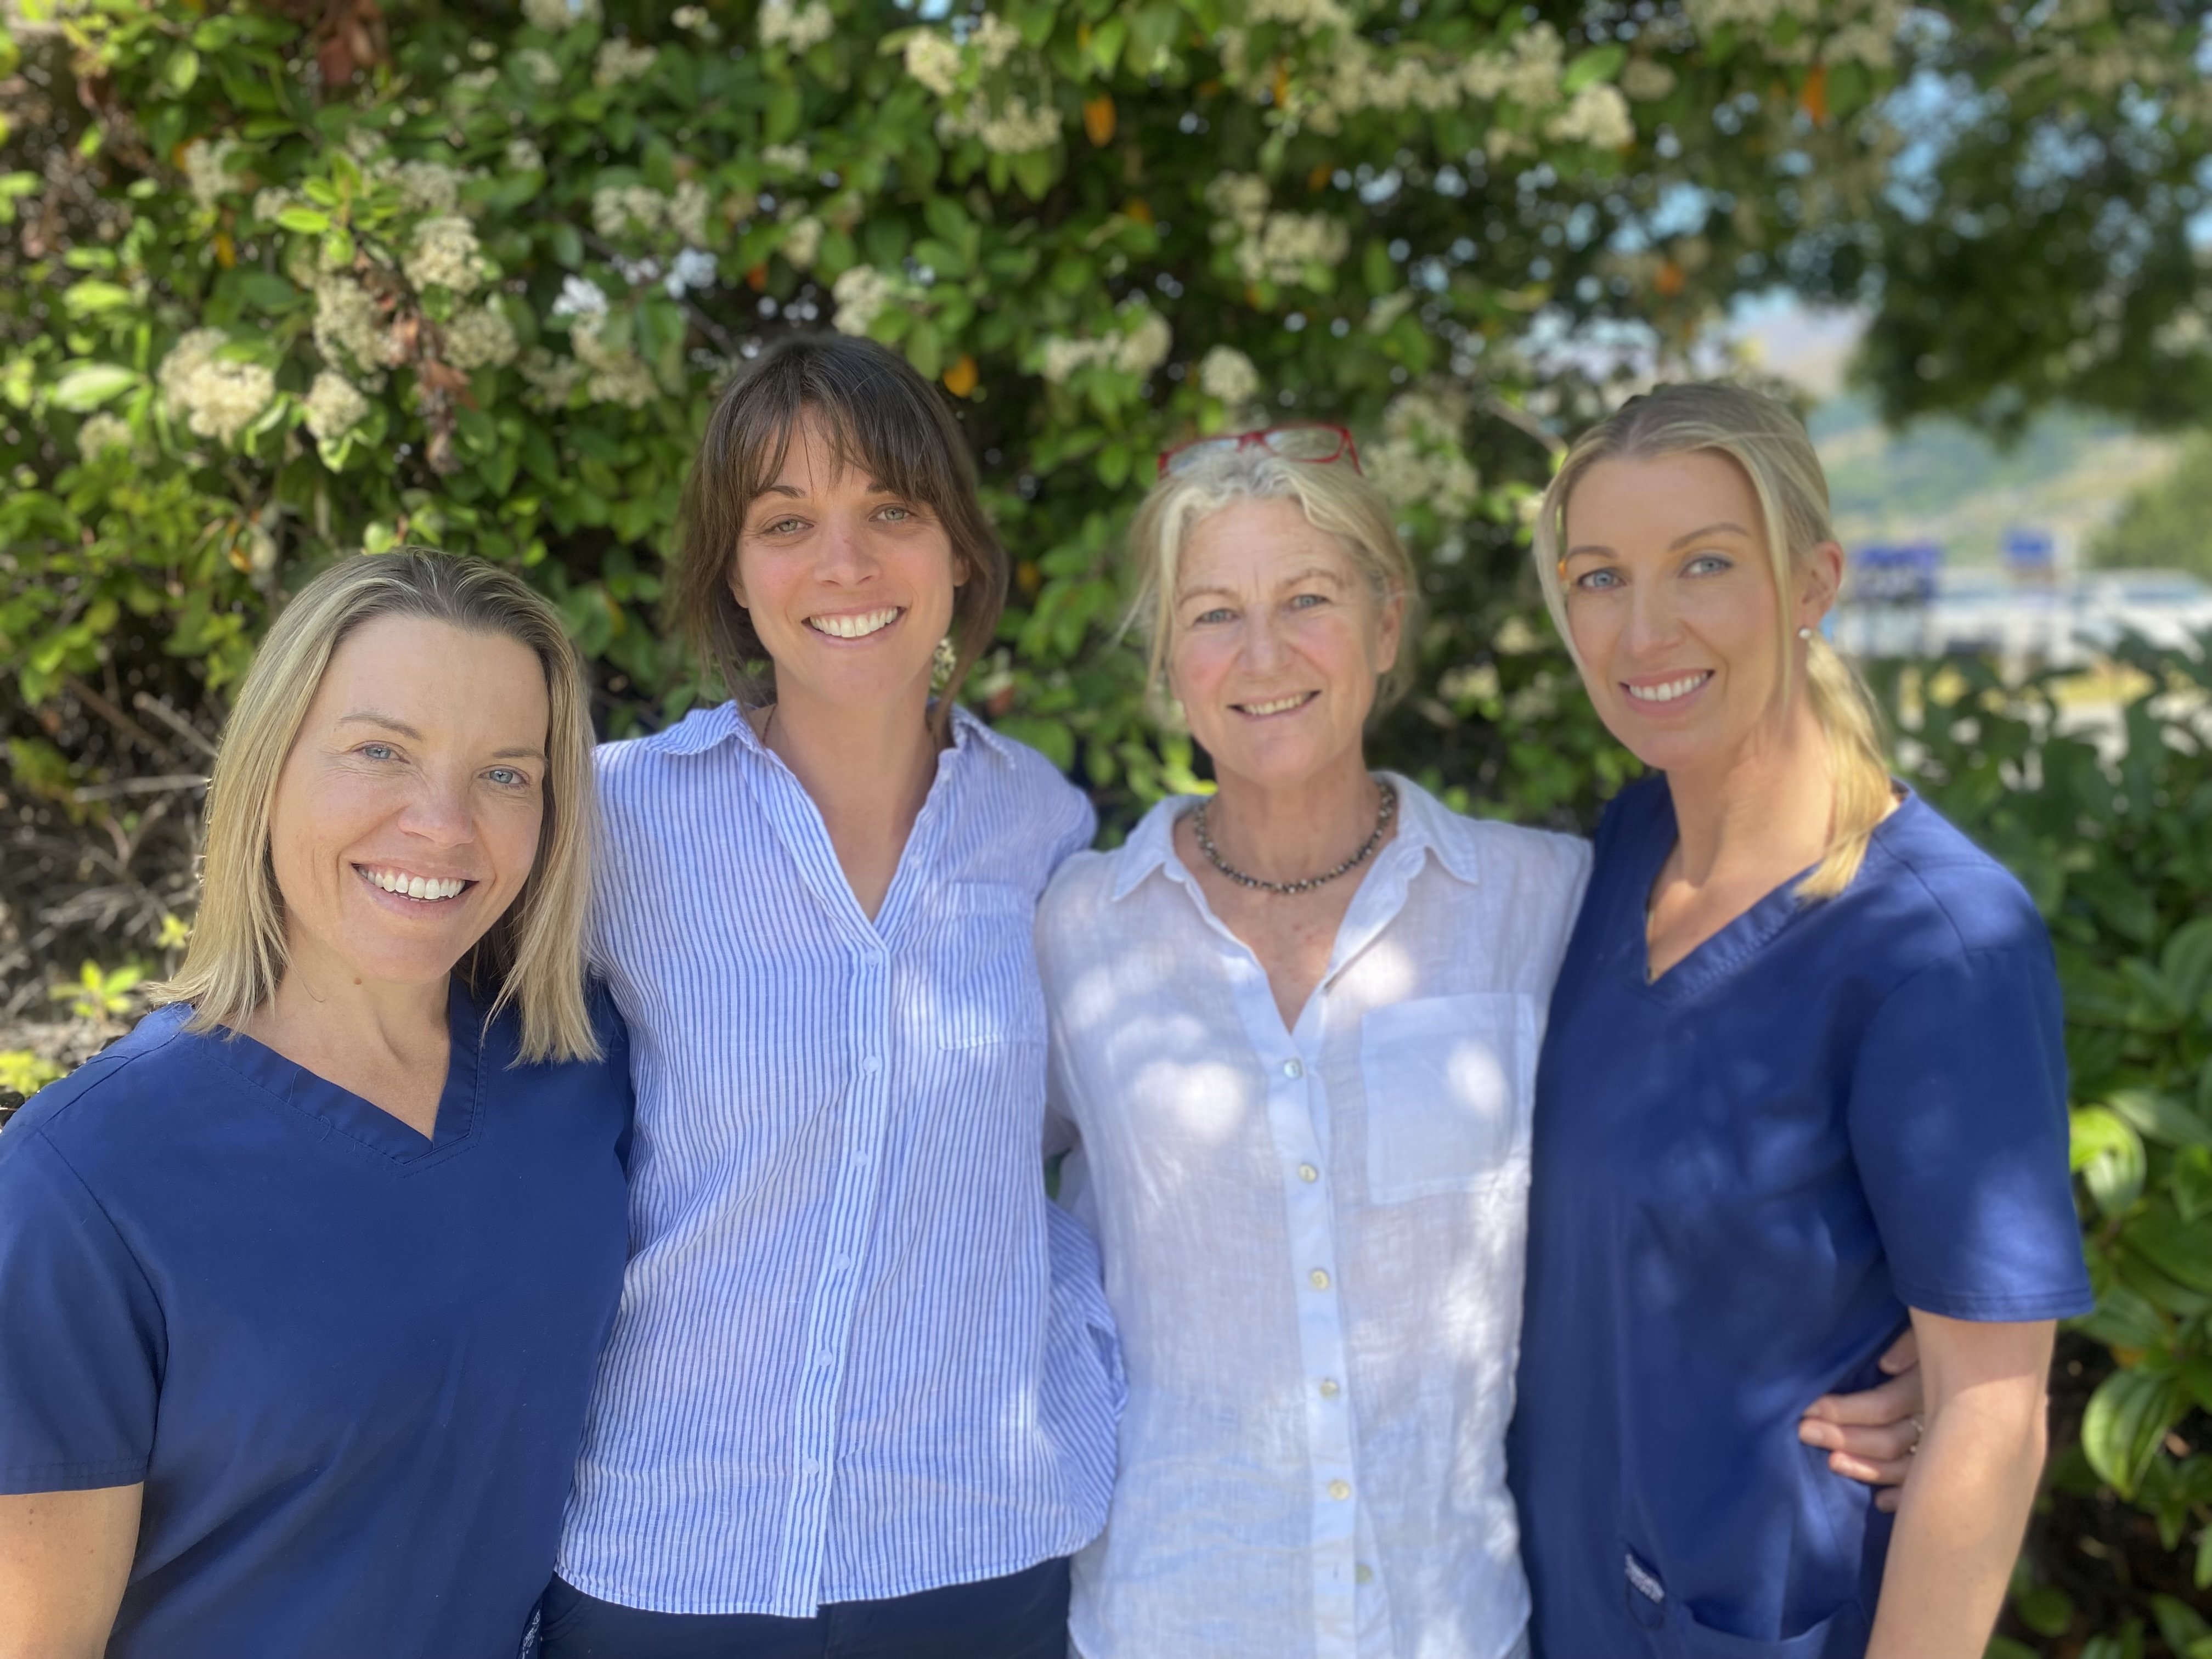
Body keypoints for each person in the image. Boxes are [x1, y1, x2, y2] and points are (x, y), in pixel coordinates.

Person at [1033, 426, 1921, 1659]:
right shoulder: (1074, 929)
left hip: (1459, 1623)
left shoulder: (1543, 903)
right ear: (1168, 661)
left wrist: (1912, 1342)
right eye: (1214, 614)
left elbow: (1746, 1130)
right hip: (1164, 1620)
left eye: (1309, 600)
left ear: (1386, 626)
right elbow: (938, 1197)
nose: (1264, 653)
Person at [538, 334, 1121, 1658]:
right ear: (733, 574)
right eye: (787, 522)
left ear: (959, 551)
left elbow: (1095, 1142)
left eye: (892, 512)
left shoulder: (1043, 827)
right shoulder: (616, 822)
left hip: (974, 1553)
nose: (845, 565)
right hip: (666, 1557)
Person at [1508, 383, 2093, 1658]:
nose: (1644, 628)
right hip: (1552, 1607)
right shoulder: (1626, 848)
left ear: (1814, 581)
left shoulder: (1935, 945)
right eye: (1600, 578)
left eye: (1705, 564)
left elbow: (1994, 1414)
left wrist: (1948, 1386)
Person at [0, 551, 633, 1658]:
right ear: (270, 768)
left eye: (506, 774)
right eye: (381, 751)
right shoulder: (85, 1180)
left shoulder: (578, 1073)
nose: (443, 824)